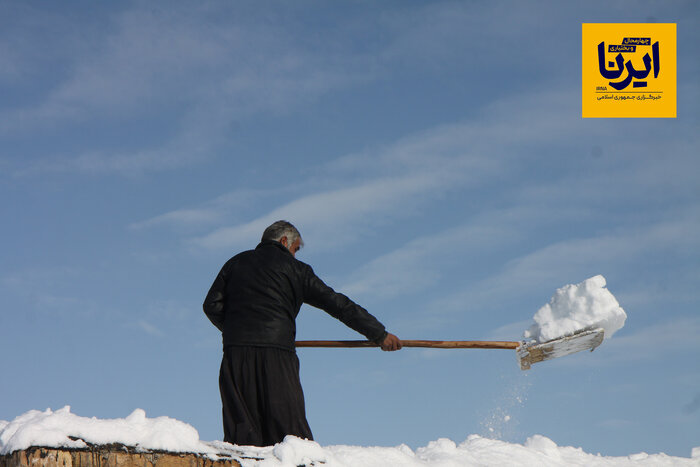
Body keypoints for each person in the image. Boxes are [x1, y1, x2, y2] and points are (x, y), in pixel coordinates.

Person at [203, 220, 401, 447]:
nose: (295, 255)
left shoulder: (235, 263)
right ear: (285, 241)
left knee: (242, 435)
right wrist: (379, 333)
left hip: (235, 355)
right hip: (277, 355)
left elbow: (211, 305)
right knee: (290, 436)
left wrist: (238, 330)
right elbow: (338, 304)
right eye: (296, 249)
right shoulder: (297, 270)